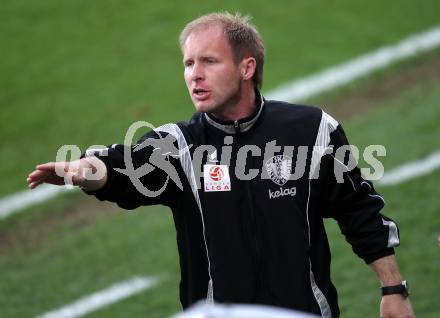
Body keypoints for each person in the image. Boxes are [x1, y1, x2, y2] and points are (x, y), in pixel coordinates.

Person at [27, 12, 414, 318]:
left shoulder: (312, 130)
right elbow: (125, 169)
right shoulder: (179, 145)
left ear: (246, 68)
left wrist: (393, 290)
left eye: (209, 62)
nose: (194, 75)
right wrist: (88, 172)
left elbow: (358, 210)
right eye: (188, 63)